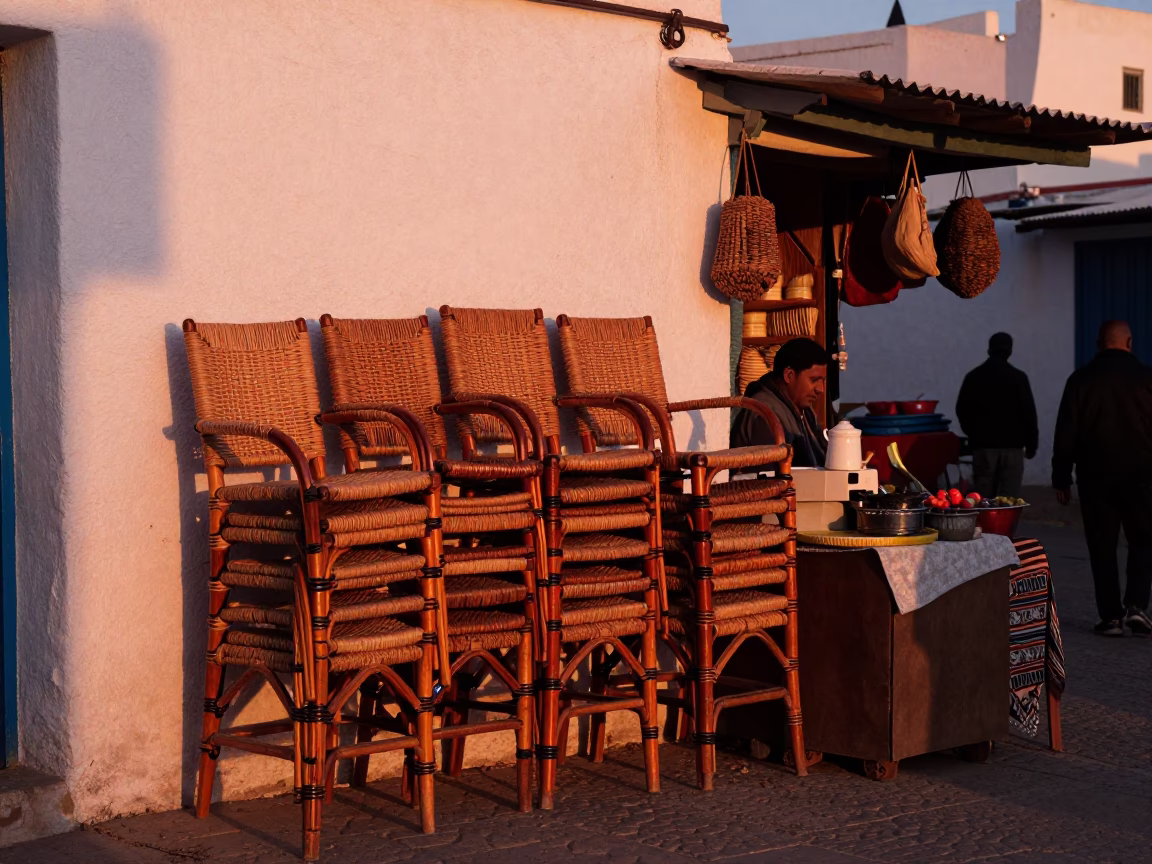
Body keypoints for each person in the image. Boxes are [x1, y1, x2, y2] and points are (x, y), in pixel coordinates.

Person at [1052, 320, 1152, 637]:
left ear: (1099, 344)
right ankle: (1137, 606)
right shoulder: (1147, 379)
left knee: (1102, 546)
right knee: (1143, 541)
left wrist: (1061, 476)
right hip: (1141, 477)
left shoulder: (1080, 380)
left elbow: (1066, 432)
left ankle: (1110, 618)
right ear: (1130, 342)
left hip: (1095, 479)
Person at [955, 332, 1038, 500]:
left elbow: (962, 409)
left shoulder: (974, 377)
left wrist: (974, 435)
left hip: (984, 447)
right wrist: (1031, 445)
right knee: (1009, 499)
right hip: (1013, 448)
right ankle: (1004, 526)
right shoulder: (1018, 378)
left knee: (983, 498)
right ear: (1010, 351)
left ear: (989, 350)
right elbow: (1029, 413)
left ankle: (984, 526)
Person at [732, 337, 827, 467]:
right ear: (789, 375)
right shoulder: (765, 414)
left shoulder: (806, 412)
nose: (821, 389)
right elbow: (767, 479)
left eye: (823, 380)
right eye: (814, 380)